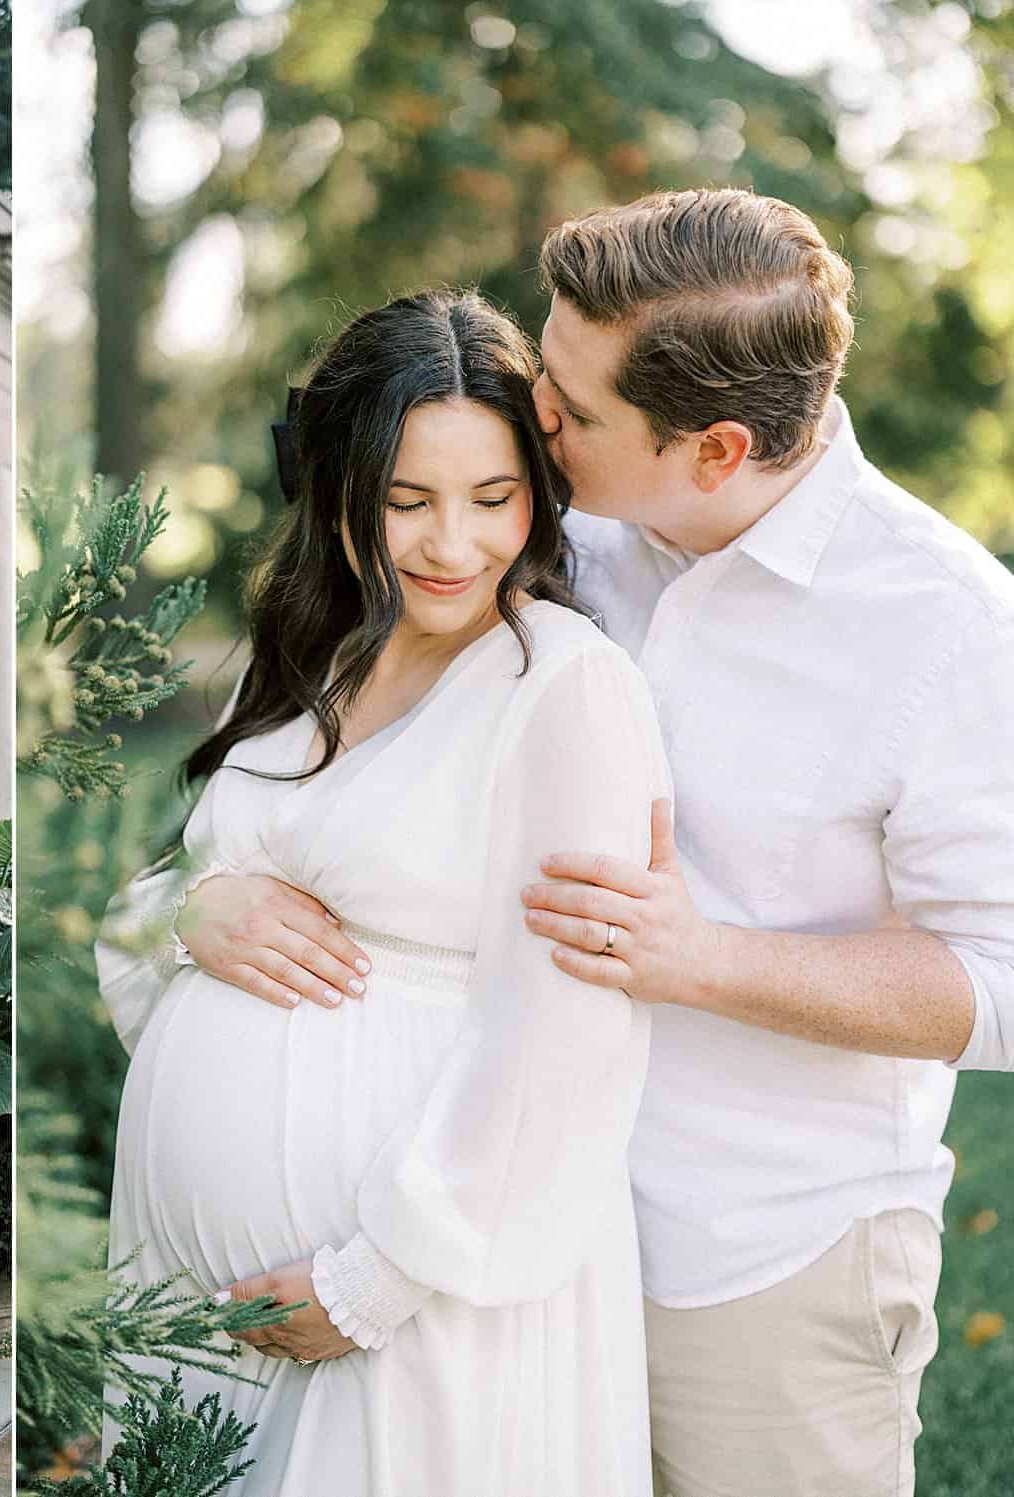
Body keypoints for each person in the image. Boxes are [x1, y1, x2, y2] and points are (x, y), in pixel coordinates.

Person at [169, 189, 1014, 1496]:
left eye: (571, 409)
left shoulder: (946, 628)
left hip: (745, 1258)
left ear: (718, 450)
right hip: (511, 1253)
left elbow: (1003, 976)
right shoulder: (547, 535)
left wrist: (709, 958)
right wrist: (195, 901)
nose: (536, 418)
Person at [98, 288, 671, 1495]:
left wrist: (372, 1282)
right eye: (403, 501)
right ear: (337, 488)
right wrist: (181, 915)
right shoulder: (309, 649)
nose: (449, 545)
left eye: (491, 498)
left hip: (419, 1297)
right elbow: (162, 884)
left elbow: (564, 1028)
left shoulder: (561, 686)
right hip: (193, 1303)